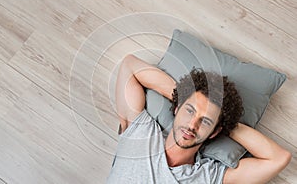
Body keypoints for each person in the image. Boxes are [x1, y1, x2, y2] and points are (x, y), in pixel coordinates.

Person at [107, 54, 291, 184]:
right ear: (177, 108)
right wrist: (182, 96)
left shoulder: (208, 176)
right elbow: (129, 65)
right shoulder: (141, 132)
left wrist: (225, 124)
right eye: (189, 111)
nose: (192, 125)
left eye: (206, 121)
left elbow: (279, 158)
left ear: (215, 132)